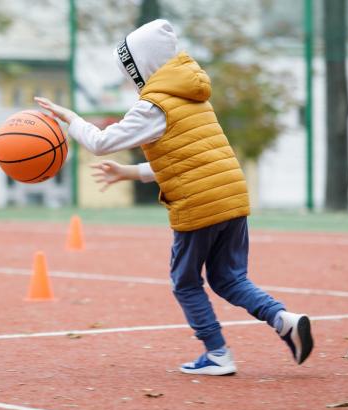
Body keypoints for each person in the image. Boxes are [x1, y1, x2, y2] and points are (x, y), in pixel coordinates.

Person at [35, 19, 313, 375]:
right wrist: (130, 172)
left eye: (129, 70)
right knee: (229, 278)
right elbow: (188, 161)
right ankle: (284, 320)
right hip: (231, 196)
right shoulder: (195, 98)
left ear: (142, 67)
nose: (128, 79)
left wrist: (71, 118)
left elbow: (101, 143)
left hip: (199, 204)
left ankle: (217, 354)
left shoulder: (153, 106)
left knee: (185, 282)